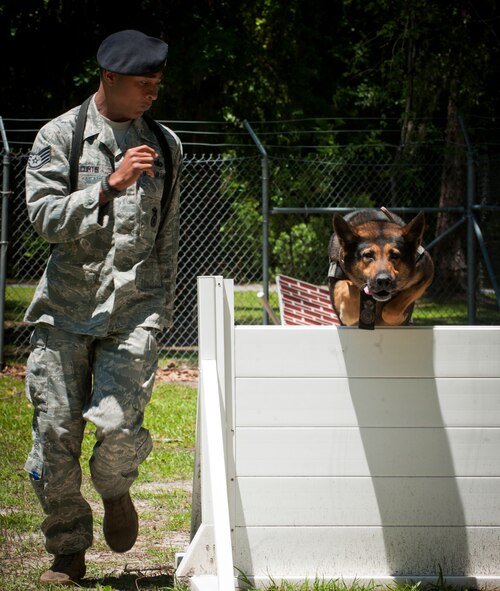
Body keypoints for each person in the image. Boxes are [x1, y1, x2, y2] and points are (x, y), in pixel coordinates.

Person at [23, 29, 183, 585]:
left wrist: (161, 304)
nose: (152, 94)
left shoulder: (165, 145)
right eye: (143, 84)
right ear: (109, 78)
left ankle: (115, 488)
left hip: (135, 309)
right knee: (55, 435)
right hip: (66, 312)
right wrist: (106, 189)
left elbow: (167, 234)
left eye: (157, 84)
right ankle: (68, 549)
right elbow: (42, 219)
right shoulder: (60, 136)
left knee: (119, 426)